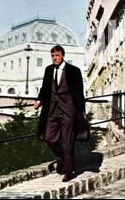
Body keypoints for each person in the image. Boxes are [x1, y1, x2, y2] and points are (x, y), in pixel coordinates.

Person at [34, 45, 86, 182]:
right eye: (52, 56)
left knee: (67, 140)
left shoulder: (74, 71)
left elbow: (79, 92)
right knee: (48, 137)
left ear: (62, 55)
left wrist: (81, 110)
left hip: (68, 110)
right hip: (52, 110)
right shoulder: (49, 70)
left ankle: (69, 170)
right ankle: (66, 157)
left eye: (57, 55)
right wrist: (39, 100)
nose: (55, 58)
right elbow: (45, 88)